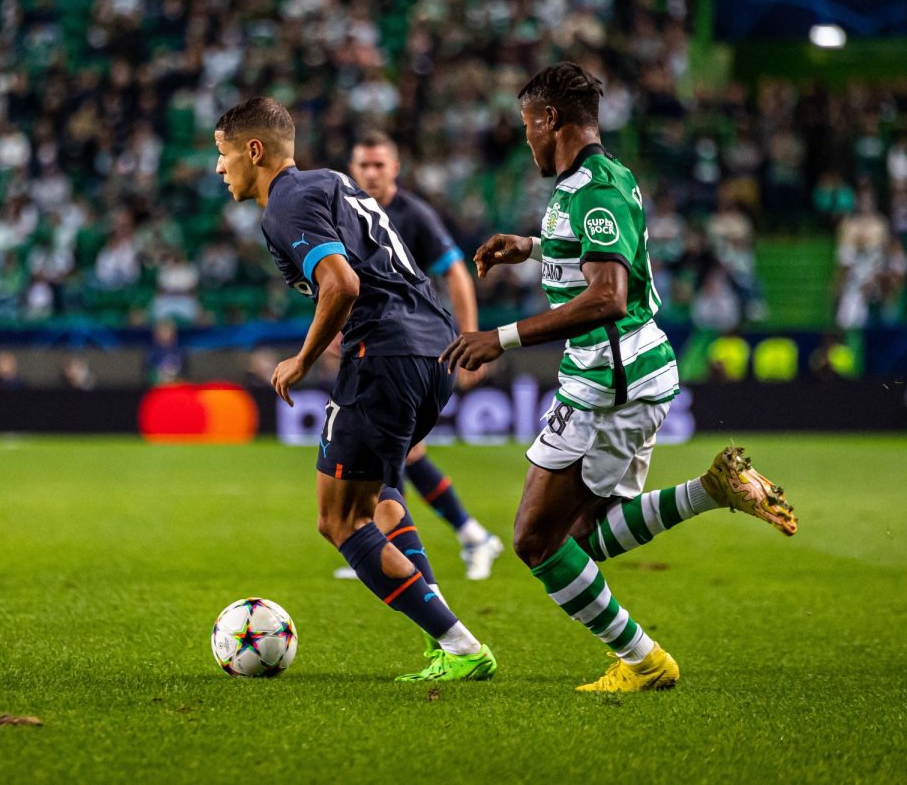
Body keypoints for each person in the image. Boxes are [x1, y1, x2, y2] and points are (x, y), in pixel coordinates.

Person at [440, 63, 796, 693]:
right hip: (615, 378)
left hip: (611, 385)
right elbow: (597, 255)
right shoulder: (597, 181)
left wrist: (503, 338)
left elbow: (607, 295)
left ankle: (645, 661)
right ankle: (713, 491)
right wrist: (529, 247)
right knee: (579, 540)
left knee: (535, 541)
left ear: (550, 120)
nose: (525, 140)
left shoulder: (594, 191)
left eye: (528, 125)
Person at [213, 97, 495, 682]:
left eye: (224, 154)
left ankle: (460, 644)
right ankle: (446, 640)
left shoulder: (285, 204)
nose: (220, 169)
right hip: (432, 350)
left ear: (254, 151)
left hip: (385, 356)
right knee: (384, 495)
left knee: (339, 521)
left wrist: (301, 359)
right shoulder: (332, 183)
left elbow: (339, 283)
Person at [341, 130, 504, 580]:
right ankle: (467, 536)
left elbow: (456, 271)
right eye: (363, 165)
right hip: (375, 347)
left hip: (412, 347)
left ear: (395, 168)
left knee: (394, 451)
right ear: (352, 169)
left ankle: (405, 551)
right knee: (399, 454)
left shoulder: (413, 215)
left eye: (379, 164)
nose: (371, 172)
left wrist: (470, 338)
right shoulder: (349, 212)